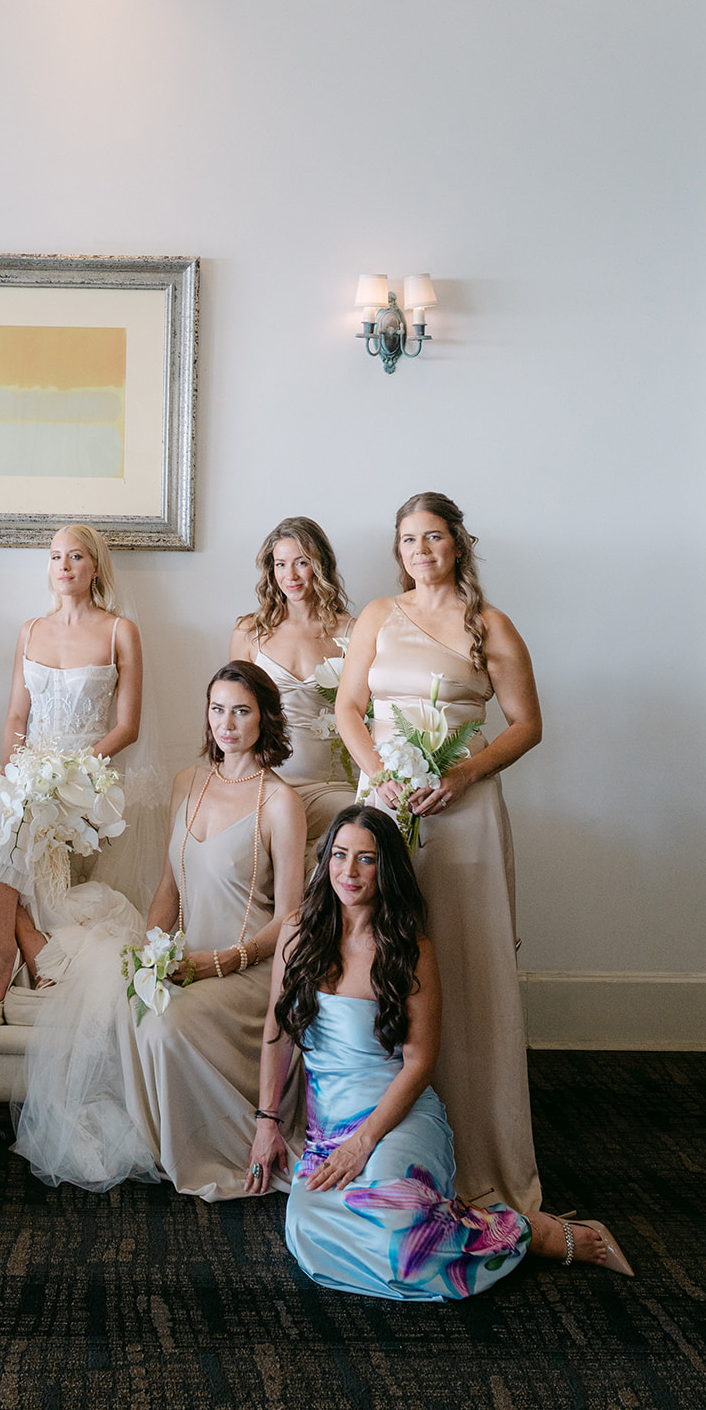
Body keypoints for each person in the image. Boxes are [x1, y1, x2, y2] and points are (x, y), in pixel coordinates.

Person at [247, 806, 632, 1300]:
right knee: (308, 1231)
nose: (349, 871)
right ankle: (474, 1224)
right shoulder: (298, 933)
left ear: (386, 869)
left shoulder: (410, 947)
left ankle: (531, 1233)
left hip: (397, 1115)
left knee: (400, 1238)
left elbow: (420, 1063)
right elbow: (276, 1032)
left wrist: (362, 1144)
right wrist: (267, 1122)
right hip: (328, 1127)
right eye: (340, 855)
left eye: (366, 859)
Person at [14, 661, 305, 1200]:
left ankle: (211, 1153)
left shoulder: (280, 802)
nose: (227, 723)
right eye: (217, 710)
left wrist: (219, 963)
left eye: (241, 711)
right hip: (187, 957)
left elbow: (290, 921)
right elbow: (169, 891)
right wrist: (152, 949)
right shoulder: (187, 783)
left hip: (251, 970)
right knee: (131, 1007)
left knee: (165, 1027)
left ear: (265, 718)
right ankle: (167, 1142)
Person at [335, 492, 543, 1212]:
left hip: (465, 810)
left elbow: (525, 725)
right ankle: (383, 1136)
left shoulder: (491, 624)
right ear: (398, 551)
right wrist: (380, 780)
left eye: (432, 537)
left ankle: (479, 1147)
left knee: (461, 955)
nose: (420, 550)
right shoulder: (376, 616)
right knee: (382, 948)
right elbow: (347, 709)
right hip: (388, 806)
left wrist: (461, 774)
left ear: (457, 542)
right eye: (408, 540)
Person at [0, 525, 142, 1000]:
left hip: (85, 782)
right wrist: (17, 772)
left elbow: (127, 727)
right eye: (55, 556)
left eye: (76, 557)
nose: (63, 566)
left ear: (95, 567)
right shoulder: (30, 630)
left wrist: (69, 774)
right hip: (29, 772)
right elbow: (17, 717)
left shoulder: (120, 631)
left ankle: (5, 956)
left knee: (8, 824)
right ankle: (24, 942)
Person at [229, 516, 357, 852]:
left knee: (363, 821)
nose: (291, 575)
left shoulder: (352, 632)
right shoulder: (249, 632)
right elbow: (230, 714)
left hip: (334, 782)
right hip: (267, 779)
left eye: (302, 563)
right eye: (280, 564)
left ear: (321, 565)